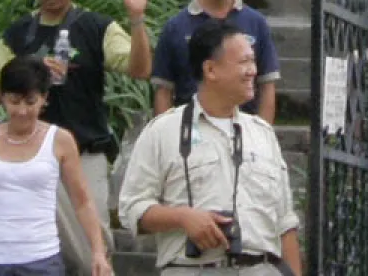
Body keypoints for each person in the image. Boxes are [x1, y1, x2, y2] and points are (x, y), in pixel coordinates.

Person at [0, 0, 152, 274]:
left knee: (92, 248)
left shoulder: (96, 27)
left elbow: (140, 69)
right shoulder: (17, 34)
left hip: (85, 153)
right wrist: (31, 71)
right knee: (36, 247)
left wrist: (136, 20)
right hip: (31, 158)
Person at [119, 18, 302, 275]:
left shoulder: (262, 134)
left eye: (253, 60)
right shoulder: (163, 131)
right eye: (243, 62)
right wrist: (184, 218)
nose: (252, 70)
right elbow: (132, 210)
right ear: (211, 70)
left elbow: (285, 224)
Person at [0, 56, 113, 276]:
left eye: (30, 102)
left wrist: (98, 252)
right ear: (3, 99)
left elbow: (82, 201)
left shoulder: (60, 140)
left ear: (44, 99)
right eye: (14, 102)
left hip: (41, 257)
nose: (22, 111)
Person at [151, 0, 281, 123]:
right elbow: (164, 90)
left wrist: (263, 136)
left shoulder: (256, 23)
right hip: (190, 133)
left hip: (243, 133)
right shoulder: (176, 27)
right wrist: (167, 137)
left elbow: (267, 85)